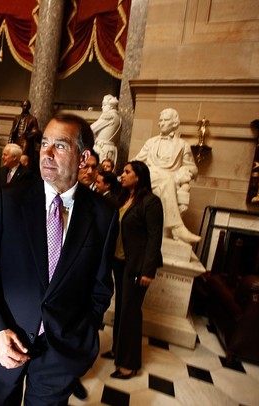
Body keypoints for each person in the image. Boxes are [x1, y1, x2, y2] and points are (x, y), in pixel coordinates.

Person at [0, 113, 118, 405]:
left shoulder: (103, 215)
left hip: (59, 355)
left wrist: (81, 336)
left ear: (84, 156)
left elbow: (100, 288)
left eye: (59, 146)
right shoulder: (8, 199)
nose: (46, 153)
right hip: (4, 343)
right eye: (44, 143)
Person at [102, 161, 163, 380]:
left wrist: (148, 270)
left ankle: (129, 364)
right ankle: (118, 350)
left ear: (139, 176)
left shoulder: (151, 202)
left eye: (127, 172)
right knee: (121, 309)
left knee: (131, 312)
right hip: (120, 262)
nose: (122, 175)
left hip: (137, 265)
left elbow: (155, 238)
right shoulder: (122, 199)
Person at [133, 108, 200, 243]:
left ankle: (169, 230)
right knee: (167, 179)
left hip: (170, 179)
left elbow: (193, 168)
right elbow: (136, 162)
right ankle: (177, 228)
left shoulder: (182, 145)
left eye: (166, 120)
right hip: (150, 175)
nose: (161, 123)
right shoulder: (150, 142)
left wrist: (183, 172)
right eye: (161, 120)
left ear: (174, 123)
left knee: (168, 179)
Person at [91, 95, 121, 168]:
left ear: (111, 107)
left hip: (103, 148)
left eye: (104, 105)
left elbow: (91, 128)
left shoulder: (109, 115)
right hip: (111, 148)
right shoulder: (118, 117)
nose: (102, 107)